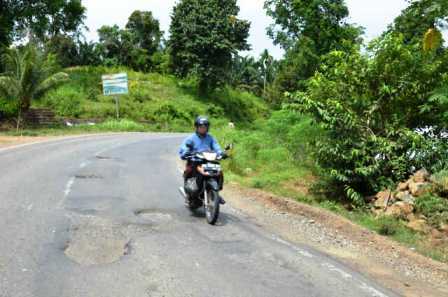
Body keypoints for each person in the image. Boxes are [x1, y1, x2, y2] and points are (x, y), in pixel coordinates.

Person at [179, 116, 226, 205]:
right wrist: (186, 152)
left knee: (219, 172)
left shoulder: (210, 138)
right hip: (195, 161)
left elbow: (216, 147)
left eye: (205, 127)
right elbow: (184, 148)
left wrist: (221, 153)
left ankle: (215, 192)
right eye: (201, 127)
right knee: (189, 171)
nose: (203, 129)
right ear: (197, 127)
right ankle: (190, 193)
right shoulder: (191, 138)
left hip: (208, 161)